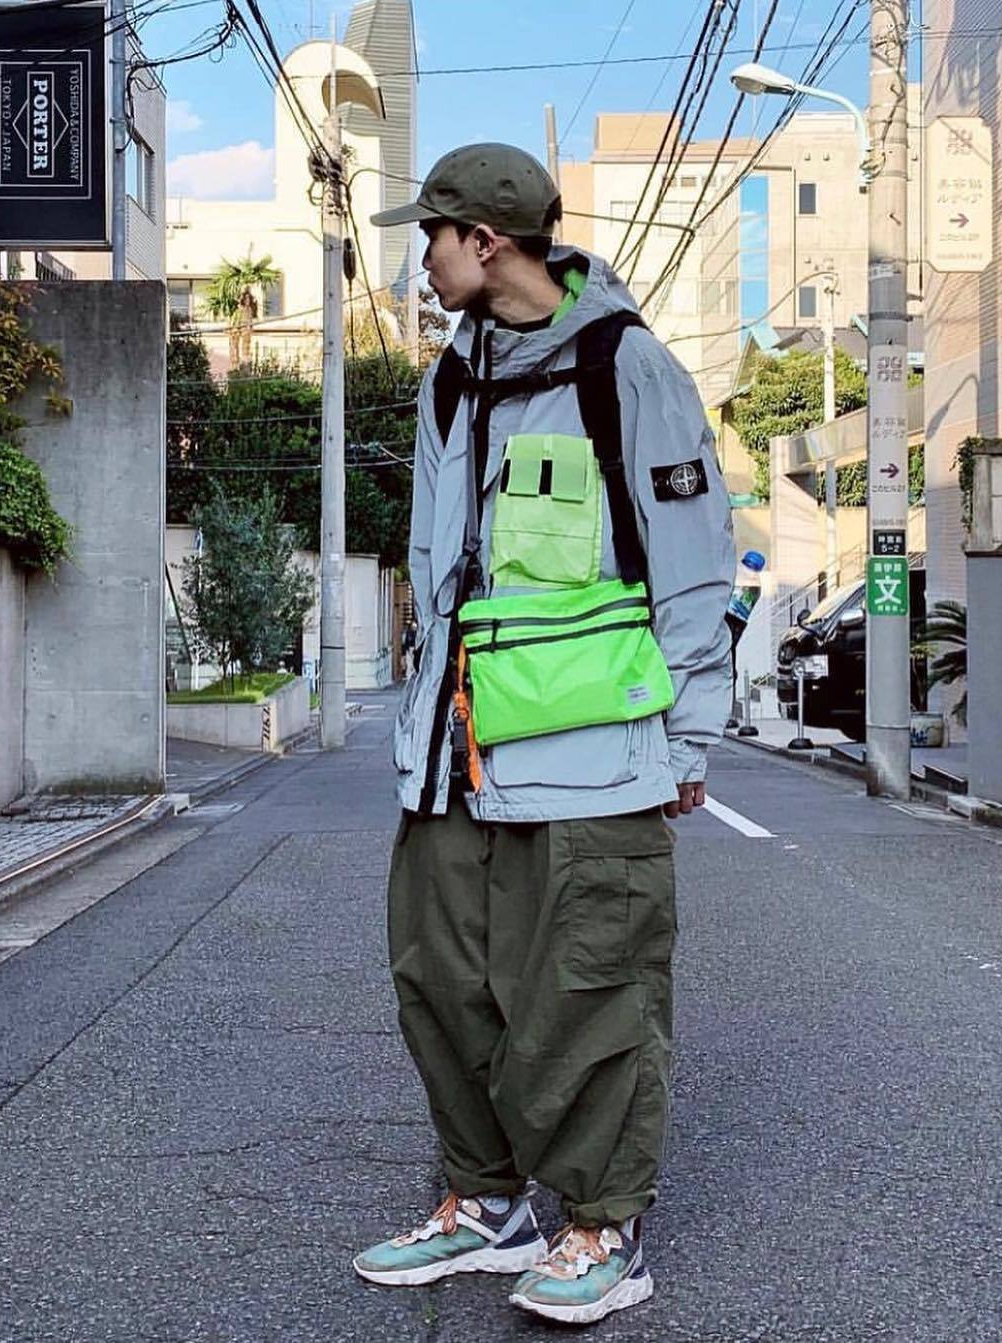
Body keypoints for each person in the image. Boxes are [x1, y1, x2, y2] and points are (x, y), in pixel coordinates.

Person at [353, 143, 735, 1326]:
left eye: (432, 237)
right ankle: (486, 1199)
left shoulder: (627, 367)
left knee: (588, 985)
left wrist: (687, 740)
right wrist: (418, 728)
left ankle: (602, 1221)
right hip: (453, 756)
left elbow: (691, 563)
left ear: (487, 241)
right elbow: (435, 568)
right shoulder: (449, 380)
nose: (421, 263)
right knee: (440, 977)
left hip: (589, 752)